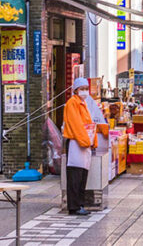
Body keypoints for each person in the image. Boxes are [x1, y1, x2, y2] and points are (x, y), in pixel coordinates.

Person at [62, 78, 96, 215]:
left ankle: (80, 204)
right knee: (75, 176)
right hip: (77, 143)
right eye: (81, 88)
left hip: (83, 143)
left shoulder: (82, 103)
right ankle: (74, 206)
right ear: (75, 90)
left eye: (86, 88)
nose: (84, 91)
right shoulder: (72, 103)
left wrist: (91, 141)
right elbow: (76, 125)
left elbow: (88, 124)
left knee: (82, 176)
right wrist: (86, 141)